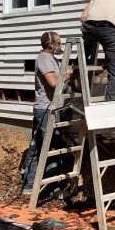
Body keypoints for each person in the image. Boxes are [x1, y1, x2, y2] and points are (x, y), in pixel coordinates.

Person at [21, 30, 70, 195]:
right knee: (49, 146)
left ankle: (31, 184)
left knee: (39, 146)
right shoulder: (44, 59)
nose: (60, 46)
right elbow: (53, 82)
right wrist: (70, 75)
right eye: (58, 43)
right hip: (45, 110)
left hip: (50, 108)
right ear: (50, 45)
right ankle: (49, 187)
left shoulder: (52, 59)